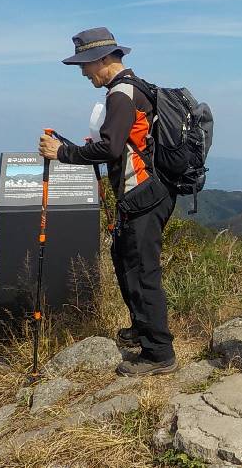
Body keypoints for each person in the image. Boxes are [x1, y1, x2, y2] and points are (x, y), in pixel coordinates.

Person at [38, 27, 177, 376]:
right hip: (148, 190)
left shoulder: (121, 94)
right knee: (126, 259)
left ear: (102, 59)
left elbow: (112, 147)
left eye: (85, 65)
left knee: (143, 269)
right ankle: (142, 330)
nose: (83, 73)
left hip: (143, 192)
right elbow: (122, 142)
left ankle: (158, 353)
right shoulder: (133, 88)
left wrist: (63, 152)